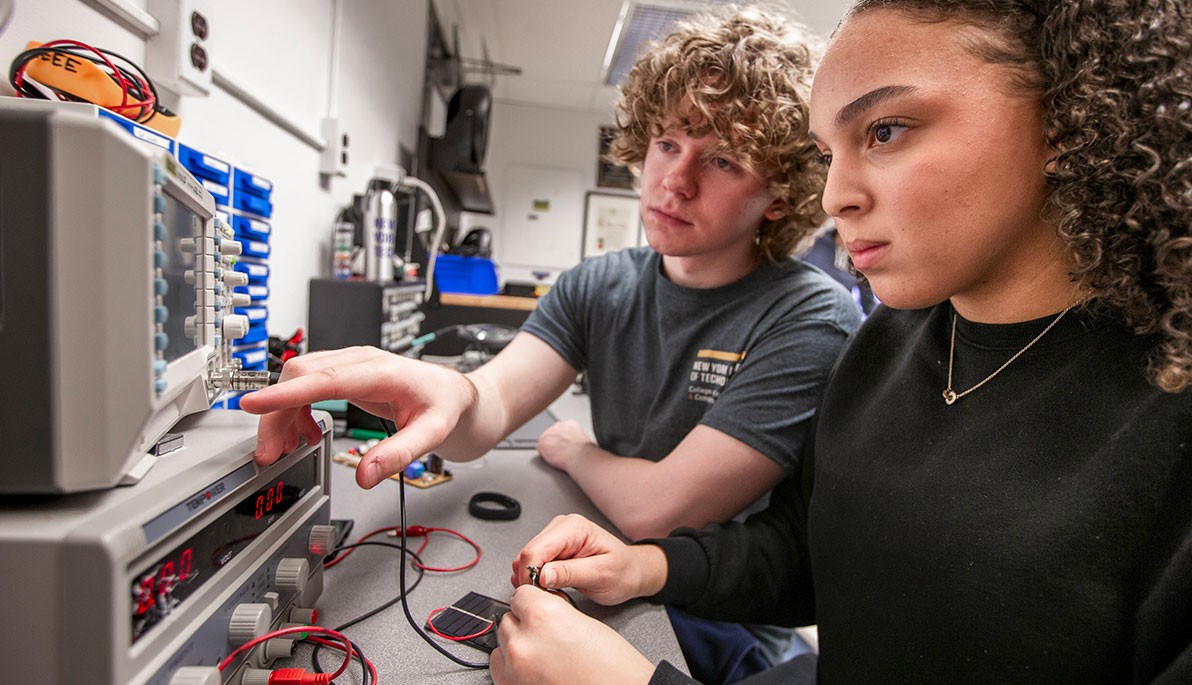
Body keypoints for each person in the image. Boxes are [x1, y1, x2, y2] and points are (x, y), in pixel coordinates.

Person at [490, 0, 1192, 683]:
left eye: (884, 131)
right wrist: (649, 565)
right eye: (829, 153)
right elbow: (808, 555)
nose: (834, 196)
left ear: (1066, 118)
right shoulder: (886, 346)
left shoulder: (1166, 414)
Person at [240, 6, 860, 681]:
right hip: (603, 566)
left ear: (779, 193)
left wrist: (576, 449)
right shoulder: (599, 284)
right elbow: (492, 404)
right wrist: (447, 390)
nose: (675, 181)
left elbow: (659, 509)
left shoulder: (811, 316)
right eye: (668, 144)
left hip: (718, 620)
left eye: (724, 160)